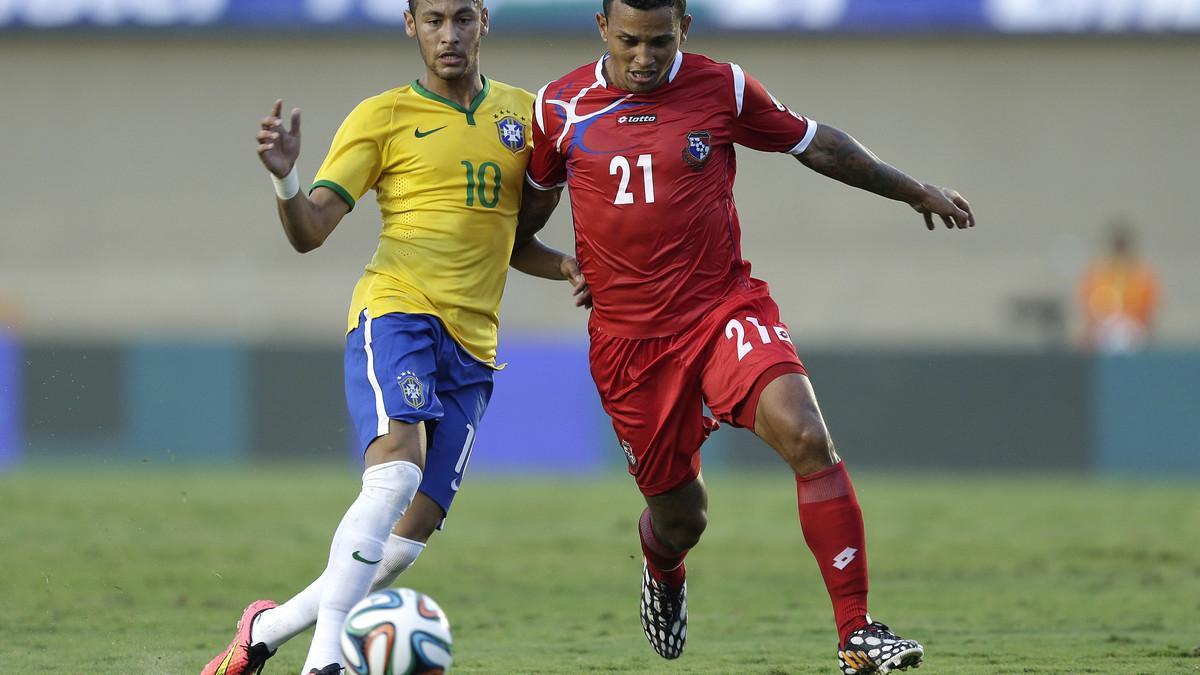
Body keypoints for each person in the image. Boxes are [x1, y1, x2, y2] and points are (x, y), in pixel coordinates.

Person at [517, 1, 975, 672]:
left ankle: (857, 632)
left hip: (722, 309)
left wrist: (912, 190)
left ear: (685, 30)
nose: (645, 57)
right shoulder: (559, 108)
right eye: (630, 42)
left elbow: (817, 143)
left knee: (807, 435)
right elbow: (516, 230)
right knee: (682, 519)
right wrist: (564, 264)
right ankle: (662, 566)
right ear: (601, 28)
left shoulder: (721, 86)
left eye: (660, 42)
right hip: (631, 346)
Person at [201, 1, 587, 674]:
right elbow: (308, 232)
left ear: (485, 21)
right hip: (397, 312)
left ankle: (267, 629)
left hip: (474, 345)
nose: (450, 34)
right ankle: (324, 661)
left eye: (462, 18)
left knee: (407, 541)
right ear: (410, 25)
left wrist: (567, 265)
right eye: (434, 19)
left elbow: (511, 238)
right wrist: (285, 175)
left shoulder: (526, 117)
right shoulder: (381, 117)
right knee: (394, 473)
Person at [1079, 221, 1160, 354]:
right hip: (1103, 329)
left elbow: (1148, 307)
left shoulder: (1142, 276)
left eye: (1122, 246)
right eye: (1118, 246)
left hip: (1133, 330)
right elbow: (1089, 304)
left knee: (1126, 336)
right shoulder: (1098, 274)